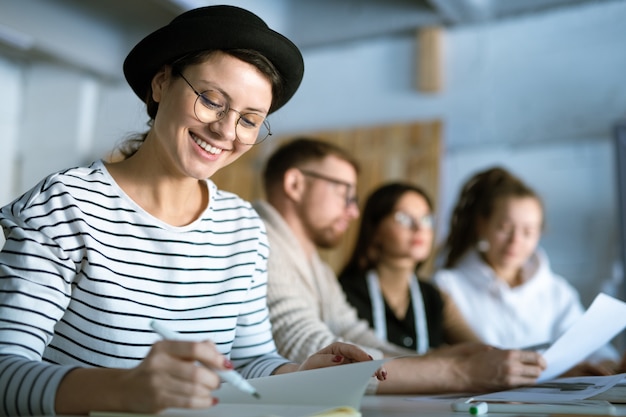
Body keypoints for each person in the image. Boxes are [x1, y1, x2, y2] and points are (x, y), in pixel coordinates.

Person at [0, 7, 379, 416]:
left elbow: (249, 363)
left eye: (250, 121)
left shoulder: (242, 228)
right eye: (211, 101)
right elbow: (4, 374)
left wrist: (304, 376)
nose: (225, 131)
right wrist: (124, 389)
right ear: (161, 83)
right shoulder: (64, 206)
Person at [253, 138, 547, 395]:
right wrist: (461, 371)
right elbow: (309, 351)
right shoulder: (260, 239)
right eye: (345, 193)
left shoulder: (315, 265)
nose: (354, 211)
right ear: (295, 184)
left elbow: (351, 333)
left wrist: (430, 361)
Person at [432, 166, 623, 374]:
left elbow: (591, 347)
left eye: (528, 232)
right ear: (482, 225)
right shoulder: (446, 286)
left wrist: (610, 365)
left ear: (540, 233)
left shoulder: (556, 290)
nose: (515, 241)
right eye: (505, 228)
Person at [338, 182, 480, 353]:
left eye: (426, 219)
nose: (419, 228)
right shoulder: (341, 293)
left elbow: (481, 350)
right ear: (374, 229)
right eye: (403, 218)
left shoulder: (435, 297)